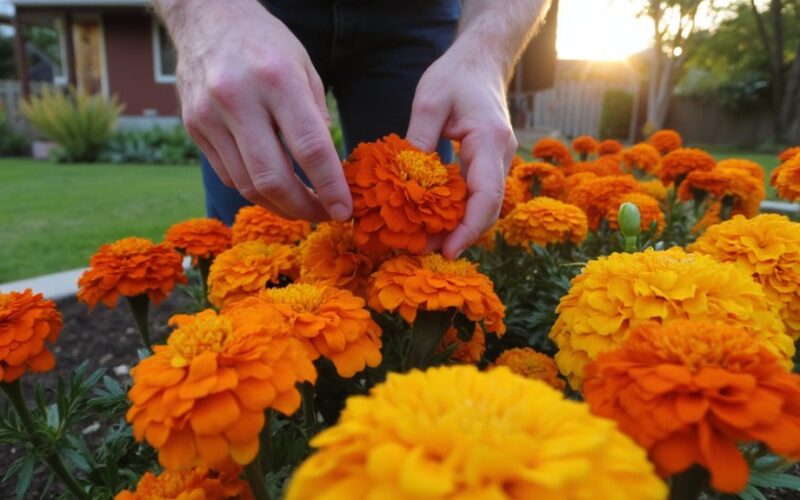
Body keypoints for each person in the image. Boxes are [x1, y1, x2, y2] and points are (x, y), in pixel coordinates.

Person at [153, 0, 551, 258]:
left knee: (410, 256)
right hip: (249, 13)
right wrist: (202, 12)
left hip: (421, 18)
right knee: (249, 259)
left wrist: (488, 51)